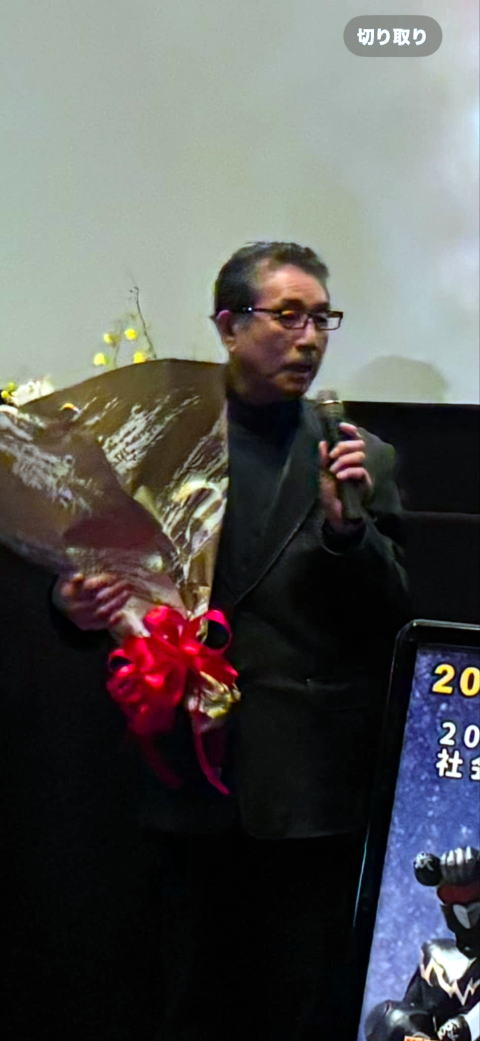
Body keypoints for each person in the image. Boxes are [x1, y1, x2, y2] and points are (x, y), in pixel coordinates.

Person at [55, 241, 410, 1040]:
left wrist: (349, 531)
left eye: (322, 319)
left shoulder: (359, 456)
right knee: (183, 1003)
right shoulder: (160, 445)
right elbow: (96, 564)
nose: (309, 338)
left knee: (297, 1008)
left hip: (308, 792)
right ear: (228, 325)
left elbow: (394, 615)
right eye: (288, 315)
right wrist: (70, 602)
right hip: (181, 778)